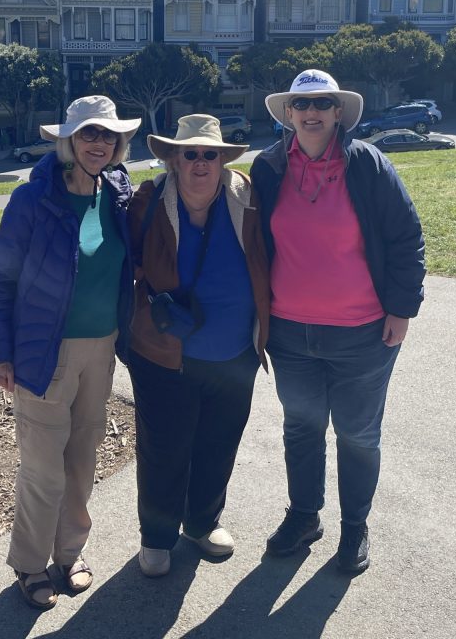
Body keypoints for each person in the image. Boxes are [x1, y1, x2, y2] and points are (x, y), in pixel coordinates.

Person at [251, 70, 425, 574]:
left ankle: (354, 528)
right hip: (289, 332)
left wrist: (402, 309)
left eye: (323, 103)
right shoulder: (268, 167)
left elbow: (406, 237)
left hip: (363, 333)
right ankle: (305, 516)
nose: (312, 112)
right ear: (288, 113)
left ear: (338, 113)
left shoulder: (367, 164)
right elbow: (252, 240)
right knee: (301, 428)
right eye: (302, 104)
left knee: (357, 434)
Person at [0, 95, 141, 610]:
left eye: (109, 135)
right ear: (68, 140)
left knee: (82, 461)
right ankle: (29, 563)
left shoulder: (117, 193)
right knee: (43, 469)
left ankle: (69, 553)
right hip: (43, 351)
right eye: (89, 133)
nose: (100, 143)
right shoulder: (33, 199)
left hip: (102, 348)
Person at [128, 114, 270, 578]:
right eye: (190, 154)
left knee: (218, 444)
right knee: (164, 451)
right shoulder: (149, 200)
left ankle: (202, 523)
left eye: (211, 154)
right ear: (173, 159)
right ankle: (157, 538)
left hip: (235, 355)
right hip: (164, 356)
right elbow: (124, 263)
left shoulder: (247, 196)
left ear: (223, 160)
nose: (201, 162)